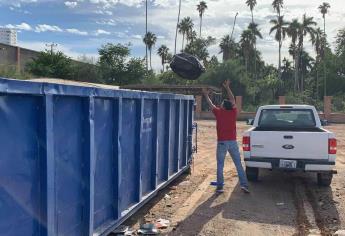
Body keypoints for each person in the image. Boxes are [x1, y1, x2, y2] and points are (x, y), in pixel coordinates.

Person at [202, 80, 249, 193]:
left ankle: (220, 187)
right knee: (238, 164)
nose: (221, 104)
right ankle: (244, 185)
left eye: (222, 103)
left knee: (220, 165)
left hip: (222, 142)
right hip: (232, 142)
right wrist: (227, 87)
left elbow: (210, 104)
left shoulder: (219, 113)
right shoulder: (233, 113)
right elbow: (232, 99)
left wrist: (205, 95)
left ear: (223, 106)